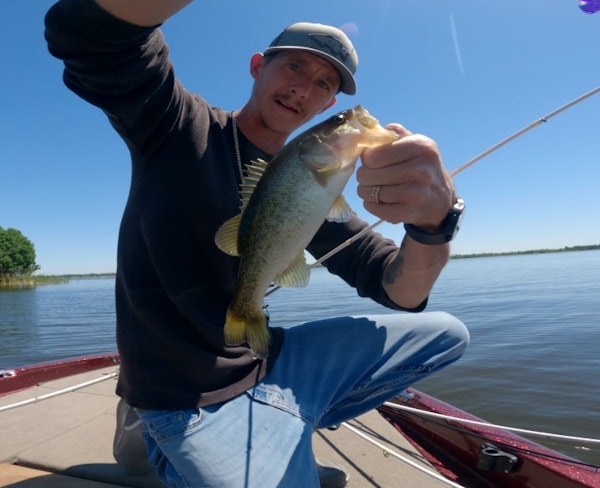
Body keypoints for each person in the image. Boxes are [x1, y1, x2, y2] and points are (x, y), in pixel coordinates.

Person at [44, 0, 470, 486]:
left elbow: (400, 291)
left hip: (260, 359)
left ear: (327, 106)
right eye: (294, 66)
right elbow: (91, 39)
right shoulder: (179, 126)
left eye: (324, 84)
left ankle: (285, 425)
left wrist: (433, 224)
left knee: (446, 335)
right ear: (257, 67)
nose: (303, 89)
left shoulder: (312, 188)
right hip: (180, 388)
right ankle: (158, 432)